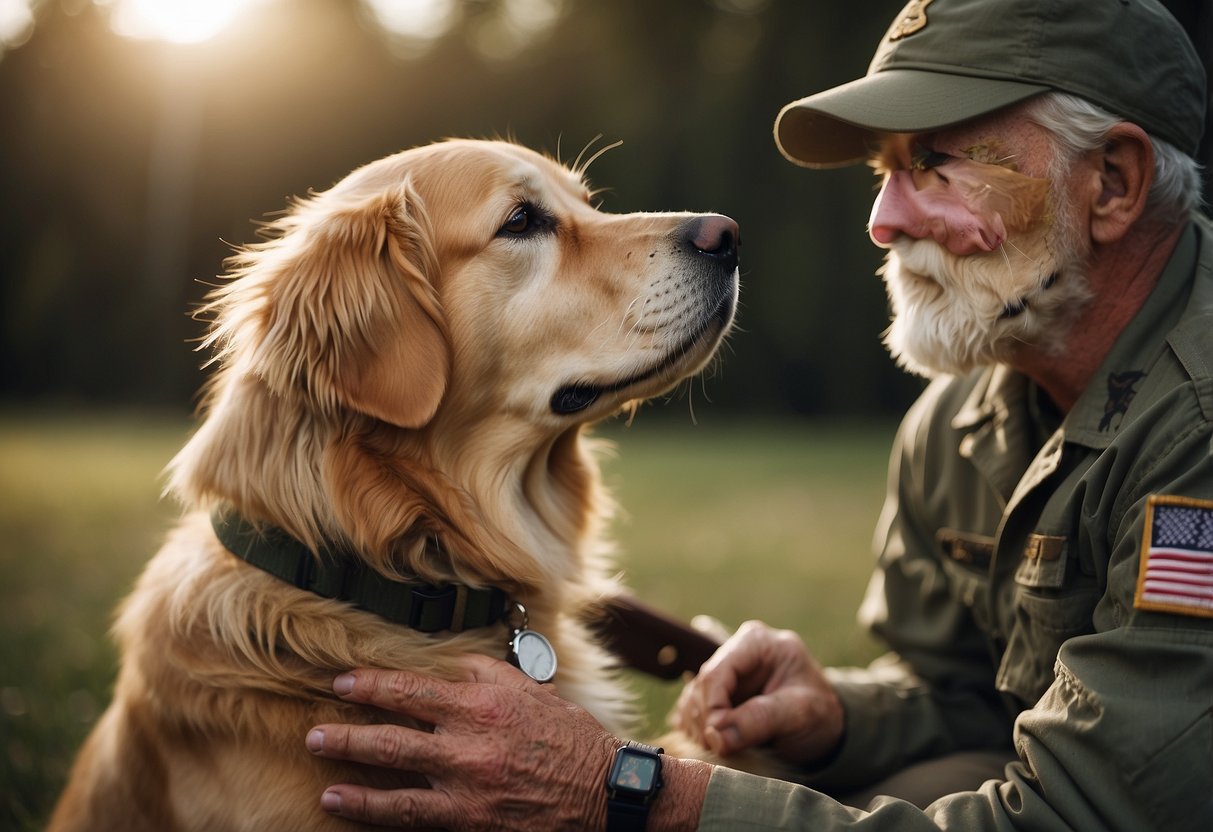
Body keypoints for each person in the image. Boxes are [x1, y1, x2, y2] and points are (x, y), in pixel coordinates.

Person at [304, 0, 1213, 828]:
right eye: (884, 171)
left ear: (1113, 185)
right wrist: (830, 715)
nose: (883, 220)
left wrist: (626, 789)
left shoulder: (1197, 428)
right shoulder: (961, 422)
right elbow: (972, 700)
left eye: (935, 162)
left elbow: (1078, 818)